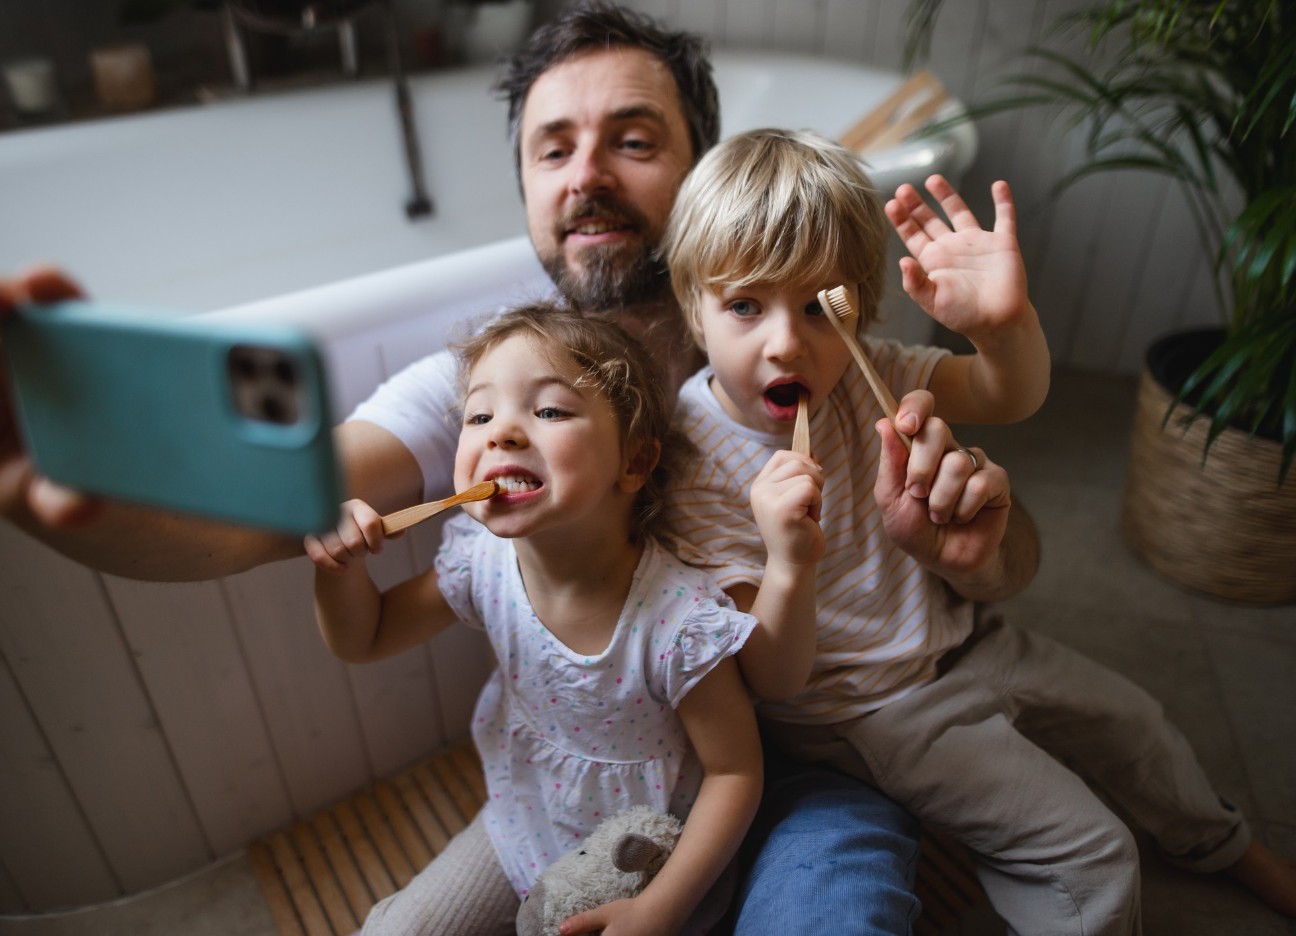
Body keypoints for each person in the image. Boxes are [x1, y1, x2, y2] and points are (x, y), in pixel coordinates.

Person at [1, 4, 937, 931]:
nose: (588, 177)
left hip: (829, 746)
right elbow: (256, 512)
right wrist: (59, 492)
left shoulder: (813, 334)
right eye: (553, 149)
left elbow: (981, 517)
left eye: (635, 141)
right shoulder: (493, 379)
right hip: (561, 806)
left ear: (705, 167)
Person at [659, 127, 1296, 933]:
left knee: (1141, 725)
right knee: (1092, 852)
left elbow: (1009, 393)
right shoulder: (690, 463)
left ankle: (1227, 848)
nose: (785, 342)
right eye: (745, 306)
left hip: (969, 634)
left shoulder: (871, 371)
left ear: (860, 305)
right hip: (868, 710)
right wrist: (788, 563)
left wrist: (1002, 331)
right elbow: (775, 683)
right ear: (694, 306)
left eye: (820, 307)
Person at [306, 304, 762, 934]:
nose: (502, 433)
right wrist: (340, 568)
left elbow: (736, 771)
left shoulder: (678, 624)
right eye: (479, 415)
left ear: (633, 462)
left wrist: (661, 908)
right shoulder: (480, 564)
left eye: (548, 411)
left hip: (648, 859)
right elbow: (367, 636)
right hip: (525, 816)